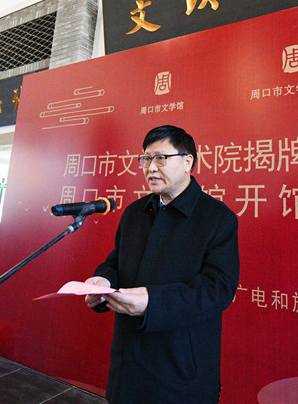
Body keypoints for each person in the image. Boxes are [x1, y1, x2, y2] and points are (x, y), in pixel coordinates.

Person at [85, 125, 240, 404]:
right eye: (146, 159)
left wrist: (153, 302)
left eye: (161, 158)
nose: (151, 168)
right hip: (128, 365)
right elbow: (117, 260)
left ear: (188, 162)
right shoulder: (135, 212)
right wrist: (104, 280)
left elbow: (218, 289)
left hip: (180, 370)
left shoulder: (217, 218)